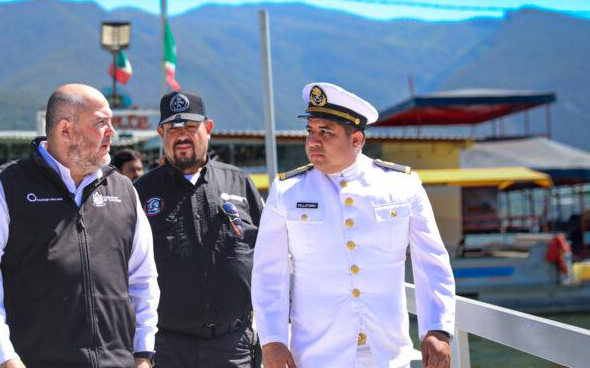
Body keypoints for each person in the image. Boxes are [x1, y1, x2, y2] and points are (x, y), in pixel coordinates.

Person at [251, 82, 455, 368]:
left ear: (357, 139)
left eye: (326, 132)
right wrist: (272, 339)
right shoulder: (287, 192)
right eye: (310, 131)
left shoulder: (401, 186)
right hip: (315, 354)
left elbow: (432, 263)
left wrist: (437, 330)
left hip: (387, 353)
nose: (313, 141)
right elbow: (269, 274)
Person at [0, 84, 159, 368]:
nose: (111, 132)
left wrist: (144, 353)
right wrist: (3, 357)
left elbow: (143, 277)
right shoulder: (3, 187)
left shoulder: (125, 190)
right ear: (65, 130)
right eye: (101, 123)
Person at [134, 89, 263, 368]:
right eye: (173, 128)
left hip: (233, 346)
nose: (182, 135)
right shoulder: (139, 194)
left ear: (209, 129)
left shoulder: (239, 183)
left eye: (191, 127)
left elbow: (269, 256)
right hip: (167, 348)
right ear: (161, 133)